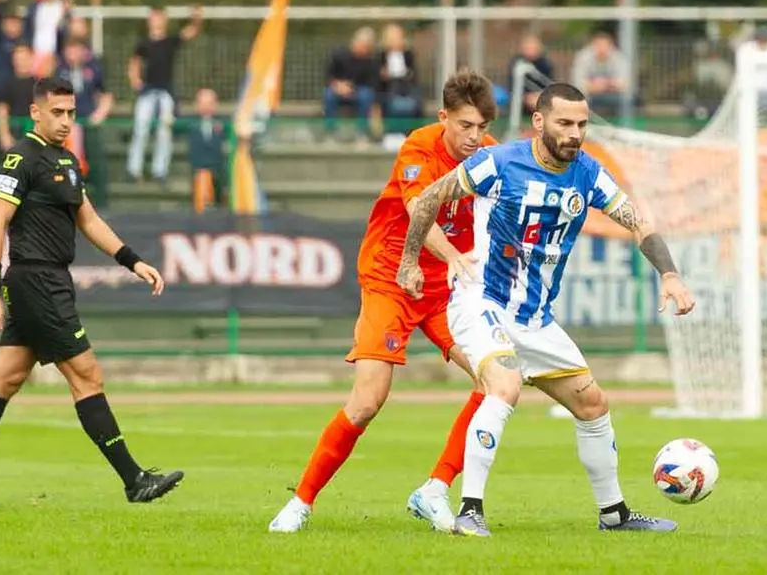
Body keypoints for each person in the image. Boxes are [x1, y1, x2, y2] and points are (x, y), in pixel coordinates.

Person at [395, 82, 696, 536]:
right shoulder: (498, 162)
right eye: (564, 123)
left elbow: (639, 222)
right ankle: (469, 510)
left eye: (581, 124)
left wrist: (669, 274)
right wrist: (410, 260)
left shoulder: (588, 174)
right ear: (539, 122)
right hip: (483, 301)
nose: (575, 133)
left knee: (593, 403)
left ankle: (613, 514)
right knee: (505, 383)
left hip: (536, 318)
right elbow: (430, 198)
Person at [269, 68, 499, 534]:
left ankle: (434, 488)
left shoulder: (492, 156)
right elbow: (419, 210)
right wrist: (455, 256)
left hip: (446, 290)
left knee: (497, 382)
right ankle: (301, 502)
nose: (474, 137)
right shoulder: (418, 146)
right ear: (444, 118)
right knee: (368, 400)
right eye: (465, 126)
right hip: (392, 277)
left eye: (481, 127)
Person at [0, 77, 184, 505]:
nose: (67, 120)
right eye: (57, 112)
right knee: (87, 374)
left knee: (7, 376)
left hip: (52, 281)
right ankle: (134, 480)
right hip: (35, 281)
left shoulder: (67, 160)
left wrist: (133, 260)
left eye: (71, 113)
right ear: (35, 112)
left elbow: (88, 221)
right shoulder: (20, 158)